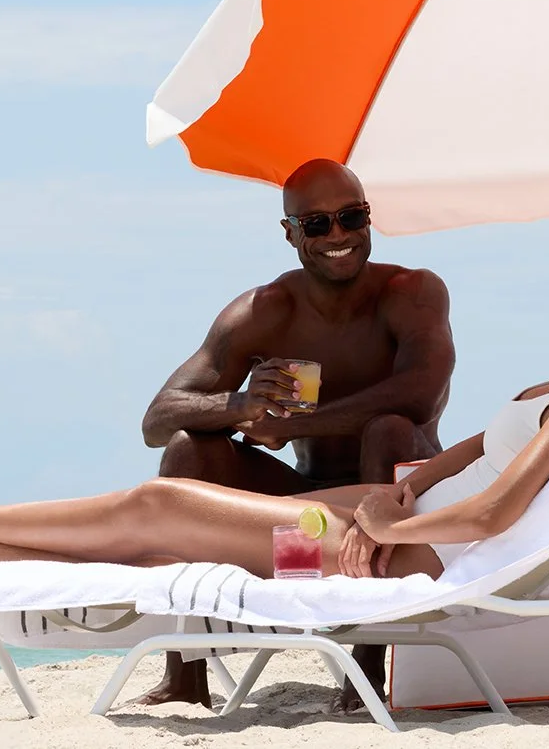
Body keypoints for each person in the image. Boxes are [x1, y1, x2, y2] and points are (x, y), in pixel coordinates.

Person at [0, 200, 549, 690]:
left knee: (160, 508)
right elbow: (479, 454)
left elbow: (496, 510)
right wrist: (408, 487)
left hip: (419, 555)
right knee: (186, 522)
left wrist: (386, 526)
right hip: (405, 517)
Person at [137, 157, 455, 703]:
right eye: (316, 224)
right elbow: (158, 419)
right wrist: (240, 404)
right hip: (305, 524)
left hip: (404, 512)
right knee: (190, 449)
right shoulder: (266, 311)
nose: (338, 235)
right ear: (290, 233)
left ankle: (369, 661)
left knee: (388, 429)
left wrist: (295, 424)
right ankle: (185, 675)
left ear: (368, 218)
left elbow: (419, 392)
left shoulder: (413, 293)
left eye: (351, 218)